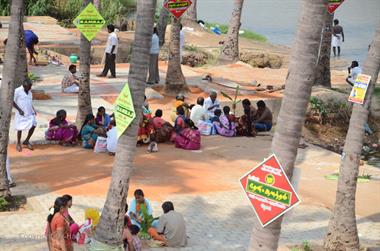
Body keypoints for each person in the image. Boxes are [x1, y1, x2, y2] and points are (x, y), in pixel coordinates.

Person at [13, 79, 37, 152]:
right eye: (29, 87)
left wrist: (33, 109)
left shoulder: (30, 92)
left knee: (33, 125)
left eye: (30, 87)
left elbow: (29, 102)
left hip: (30, 112)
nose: (30, 88)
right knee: (20, 128)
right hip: (21, 113)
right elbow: (12, 101)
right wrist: (19, 110)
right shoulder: (17, 91)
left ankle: (26, 140)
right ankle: (18, 143)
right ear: (24, 86)